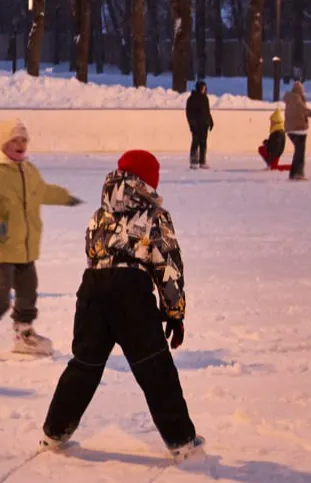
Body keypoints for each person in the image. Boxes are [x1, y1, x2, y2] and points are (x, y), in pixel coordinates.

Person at [41, 150, 204, 461]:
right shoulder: (155, 215)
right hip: (130, 291)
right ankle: (181, 440)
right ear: (148, 181)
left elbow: (92, 251)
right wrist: (174, 312)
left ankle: (54, 431)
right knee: (155, 367)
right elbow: (168, 264)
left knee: (84, 365)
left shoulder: (98, 214)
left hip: (92, 287)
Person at [0, 119, 83, 358]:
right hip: (3, 245)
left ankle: (24, 333)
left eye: (23, 140)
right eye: (14, 141)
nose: (20, 145)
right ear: (3, 144)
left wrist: (65, 197)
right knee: (0, 295)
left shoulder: (29, 170)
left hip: (26, 247)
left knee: (28, 291)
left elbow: (43, 191)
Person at [185, 81, 214, 170]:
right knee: (195, 142)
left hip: (204, 125)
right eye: (203, 88)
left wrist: (210, 121)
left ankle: (202, 161)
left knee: (203, 143)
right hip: (196, 125)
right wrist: (192, 124)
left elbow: (207, 111)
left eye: (205, 88)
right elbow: (189, 113)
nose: (204, 90)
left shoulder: (205, 98)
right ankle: (193, 161)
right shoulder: (192, 98)